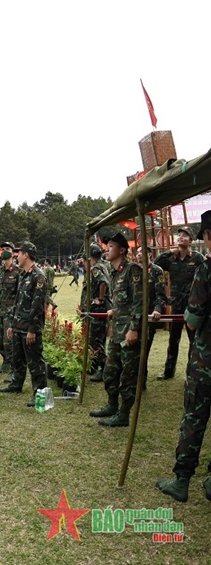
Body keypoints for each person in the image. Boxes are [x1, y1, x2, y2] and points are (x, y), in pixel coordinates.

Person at [157, 210, 211, 502]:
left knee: (194, 417)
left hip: (205, 361)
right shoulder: (175, 258)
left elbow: (193, 319)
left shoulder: (205, 267)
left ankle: (182, 481)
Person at [88, 232, 143, 427]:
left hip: (129, 332)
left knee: (127, 376)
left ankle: (123, 414)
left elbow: (140, 301)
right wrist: (115, 310)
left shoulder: (133, 270)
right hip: (117, 330)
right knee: (110, 372)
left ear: (121, 250)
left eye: (111, 246)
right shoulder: (113, 272)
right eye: (107, 245)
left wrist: (134, 329)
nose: (107, 249)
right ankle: (112, 405)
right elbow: (124, 300)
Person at [0, 241, 48, 405]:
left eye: (19, 254)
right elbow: (18, 302)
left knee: (35, 364)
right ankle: (16, 384)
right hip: (19, 326)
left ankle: (40, 397)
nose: (16, 256)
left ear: (26, 255)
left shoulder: (38, 276)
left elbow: (38, 306)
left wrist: (32, 329)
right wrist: (12, 324)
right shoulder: (23, 275)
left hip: (29, 328)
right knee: (17, 360)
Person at [155, 227, 205, 380]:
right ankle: (168, 372)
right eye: (180, 235)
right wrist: (170, 252)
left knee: (193, 340)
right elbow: (155, 266)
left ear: (190, 241)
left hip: (192, 305)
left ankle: (192, 371)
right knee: (173, 339)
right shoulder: (171, 259)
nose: (181, 237)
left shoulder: (197, 258)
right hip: (176, 305)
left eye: (185, 235)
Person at [78, 243, 111, 382]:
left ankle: (103, 369)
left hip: (98, 311)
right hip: (95, 311)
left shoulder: (96, 268)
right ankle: (95, 365)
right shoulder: (103, 264)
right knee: (96, 340)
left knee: (96, 341)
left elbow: (103, 282)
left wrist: (100, 299)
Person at [136, 245, 167, 390]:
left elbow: (161, 295)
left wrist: (157, 309)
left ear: (149, 254)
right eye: (137, 252)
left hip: (149, 317)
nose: (139, 255)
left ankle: (141, 381)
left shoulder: (156, 271)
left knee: (144, 349)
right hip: (135, 316)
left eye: (142, 252)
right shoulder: (134, 270)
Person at [0, 247, 20, 375]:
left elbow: (20, 294)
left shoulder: (18, 272)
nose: (4, 251)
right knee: (1, 340)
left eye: (7, 248)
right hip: (1, 311)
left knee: (9, 341)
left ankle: (14, 367)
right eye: (2, 249)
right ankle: (5, 363)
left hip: (11, 312)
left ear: (13, 254)